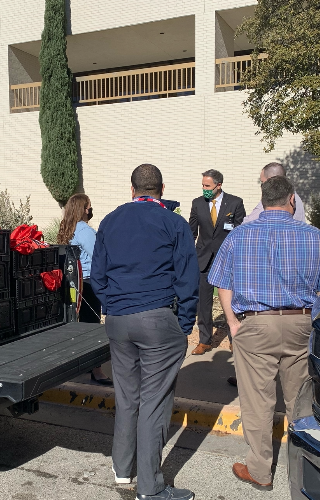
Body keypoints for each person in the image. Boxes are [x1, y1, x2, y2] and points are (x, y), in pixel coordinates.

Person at [209, 176, 320, 488]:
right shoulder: (313, 236)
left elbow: (221, 281)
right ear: (291, 199)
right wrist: (313, 313)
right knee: (300, 398)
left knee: (257, 400)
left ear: (263, 199)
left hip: (255, 323)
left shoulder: (239, 236)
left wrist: (231, 322)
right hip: (300, 322)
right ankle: (304, 466)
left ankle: (259, 470)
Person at [92, 164, 199, 500]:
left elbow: (97, 276)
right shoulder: (174, 223)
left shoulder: (110, 221)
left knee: (127, 398)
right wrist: (184, 325)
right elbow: (188, 279)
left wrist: (114, 305)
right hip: (157, 319)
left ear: (132, 188)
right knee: (154, 403)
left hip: (119, 320)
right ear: (162, 189)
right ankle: (151, 488)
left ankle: (123, 470)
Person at [56, 193, 113, 386]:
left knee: (77, 324)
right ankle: (96, 370)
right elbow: (99, 255)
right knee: (91, 325)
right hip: (88, 282)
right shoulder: (84, 230)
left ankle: (81, 364)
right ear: (83, 209)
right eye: (89, 207)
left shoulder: (67, 228)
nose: (90, 210)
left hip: (73, 282)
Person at [188, 169, 246, 355]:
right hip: (203, 258)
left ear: (218, 185)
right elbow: (192, 231)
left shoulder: (235, 203)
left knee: (230, 301)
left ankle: (233, 339)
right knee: (203, 302)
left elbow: (240, 231)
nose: (204, 189)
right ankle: (205, 340)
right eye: (203, 185)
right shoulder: (197, 203)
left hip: (227, 258)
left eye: (208, 186)